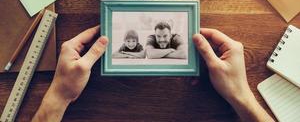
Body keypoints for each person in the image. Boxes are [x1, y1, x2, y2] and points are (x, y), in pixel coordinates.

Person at [32, 26, 274, 122]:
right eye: (158, 36)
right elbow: (147, 52)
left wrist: (59, 96)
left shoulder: (172, 41)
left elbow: (148, 53)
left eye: (164, 37)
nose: (160, 39)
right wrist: (242, 97)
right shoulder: (147, 42)